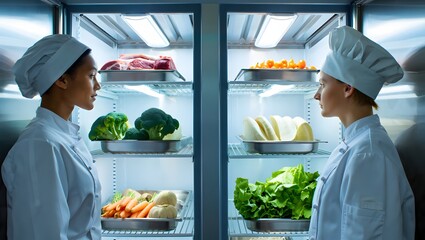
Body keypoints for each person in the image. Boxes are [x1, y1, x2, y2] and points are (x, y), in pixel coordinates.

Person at [308, 26, 415, 240]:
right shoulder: (356, 145)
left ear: (348, 88)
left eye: (323, 84)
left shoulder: (368, 155)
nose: (316, 95)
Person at [1, 34, 102, 239]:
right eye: (91, 76)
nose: (98, 86)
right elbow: (43, 234)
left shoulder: (65, 135)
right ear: (62, 80)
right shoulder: (39, 145)